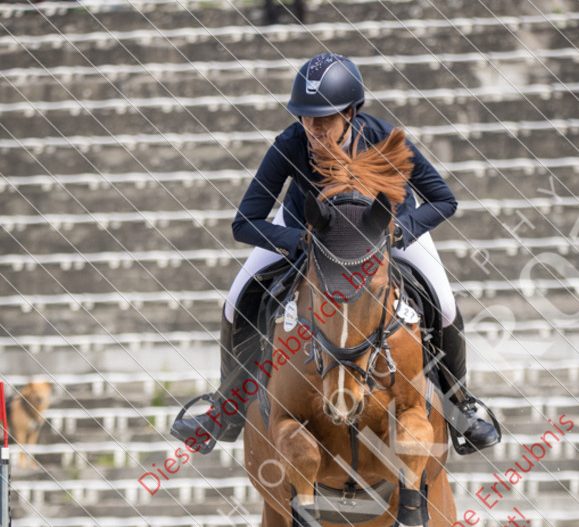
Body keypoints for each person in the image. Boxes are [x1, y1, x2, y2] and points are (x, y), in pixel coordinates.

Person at [173, 53, 500, 455]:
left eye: (323, 119)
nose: (313, 128)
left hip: (387, 229)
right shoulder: (290, 144)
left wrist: (403, 230)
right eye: (306, 118)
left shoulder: (383, 137)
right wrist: (298, 240)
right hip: (308, 233)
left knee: (444, 305)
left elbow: (444, 200)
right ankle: (223, 412)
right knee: (236, 300)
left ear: (350, 112)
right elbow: (245, 221)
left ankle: (461, 408)